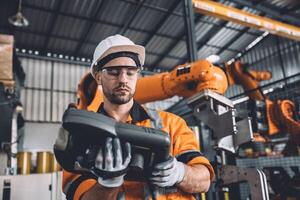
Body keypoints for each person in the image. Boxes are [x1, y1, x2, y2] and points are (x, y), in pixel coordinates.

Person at [62, 34, 214, 200]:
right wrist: (108, 184)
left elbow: (204, 180)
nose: (123, 80)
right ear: (98, 76)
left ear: (137, 75)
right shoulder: (81, 136)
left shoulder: (171, 124)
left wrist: (180, 173)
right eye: (113, 72)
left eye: (130, 72)